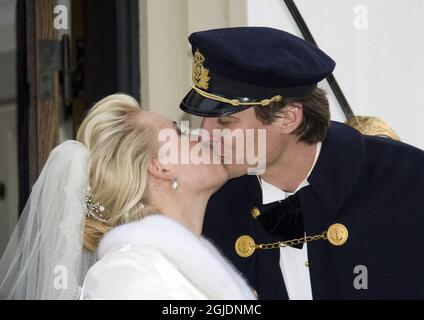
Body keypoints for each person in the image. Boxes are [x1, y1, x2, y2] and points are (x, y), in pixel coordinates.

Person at [180, 26, 424, 299]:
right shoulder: (210, 203)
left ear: (288, 117)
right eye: (204, 118)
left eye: (226, 121)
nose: (205, 134)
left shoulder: (408, 181)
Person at [0, 94, 256, 300]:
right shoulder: (127, 274)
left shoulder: (177, 262)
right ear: (160, 167)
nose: (201, 136)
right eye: (178, 133)